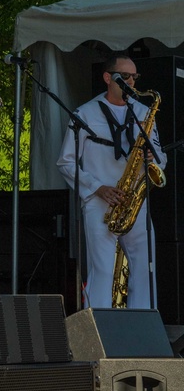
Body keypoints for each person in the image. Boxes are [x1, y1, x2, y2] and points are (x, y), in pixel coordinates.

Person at [57, 55, 166, 309]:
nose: (131, 82)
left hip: (135, 202)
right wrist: (97, 187)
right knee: (103, 271)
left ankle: (143, 329)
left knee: (144, 268)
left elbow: (162, 161)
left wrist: (153, 157)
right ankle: (98, 333)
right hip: (100, 201)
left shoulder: (143, 112)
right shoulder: (84, 113)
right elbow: (65, 162)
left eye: (135, 77)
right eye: (124, 77)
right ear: (108, 78)